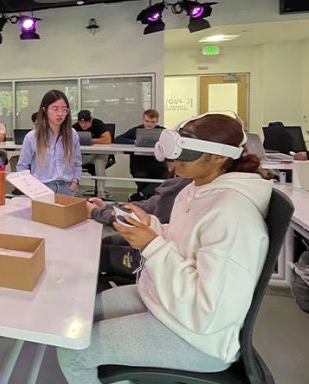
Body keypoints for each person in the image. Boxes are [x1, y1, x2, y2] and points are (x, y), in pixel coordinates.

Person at [57, 113, 272, 383]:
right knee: (77, 315)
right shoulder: (195, 189)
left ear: (219, 157)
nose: (173, 163)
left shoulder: (233, 214)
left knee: (74, 351)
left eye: (186, 154)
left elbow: (209, 313)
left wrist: (152, 245)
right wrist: (152, 225)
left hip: (197, 337)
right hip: (165, 301)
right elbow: (184, 239)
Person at [87, 172, 191, 284]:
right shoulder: (188, 186)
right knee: (104, 246)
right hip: (161, 249)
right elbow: (147, 209)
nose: (171, 166)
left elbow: (145, 213)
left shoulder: (185, 186)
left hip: (159, 262)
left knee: (99, 255)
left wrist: (96, 212)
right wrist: (106, 208)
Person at [16, 90, 82, 195]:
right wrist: (31, 188)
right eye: (55, 109)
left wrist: (75, 182)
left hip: (67, 188)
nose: (60, 113)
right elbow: (22, 167)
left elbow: (77, 163)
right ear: (45, 110)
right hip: (42, 188)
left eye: (64, 109)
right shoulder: (32, 137)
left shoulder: (72, 134)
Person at [114, 109, 169, 200]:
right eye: (147, 121)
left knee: (165, 178)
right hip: (139, 165)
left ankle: (139, 196)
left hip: (158, 165)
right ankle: (142, 195)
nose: (149, 124)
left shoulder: (163, 131)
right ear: (143, 120)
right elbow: (117, 139)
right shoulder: (136, 130)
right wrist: (135, 141)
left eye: (152, 122)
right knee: (143, 178)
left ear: (157, 121)